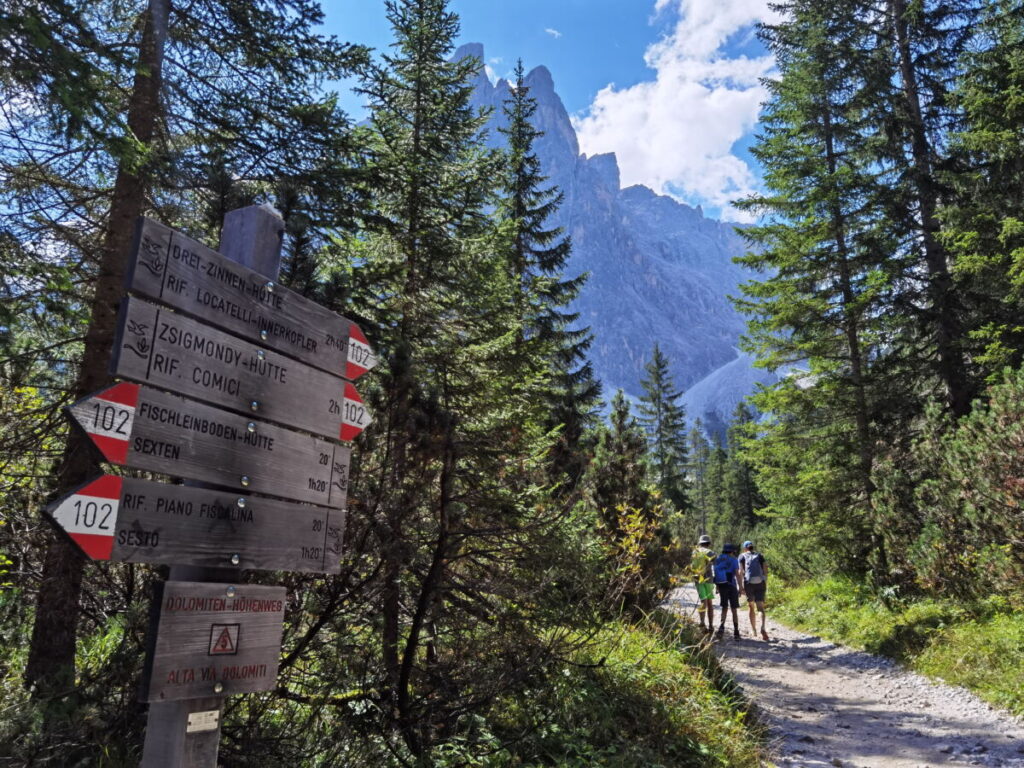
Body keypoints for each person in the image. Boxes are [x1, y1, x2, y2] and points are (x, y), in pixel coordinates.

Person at [739, 540, 770, 641]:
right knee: (760, 607)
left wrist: (740, 586)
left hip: (749, 583)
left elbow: (740, 571)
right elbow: (765, 567)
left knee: (751, 606)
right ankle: (763, 628)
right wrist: (765, 579)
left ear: (745, 548)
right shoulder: (759, 555)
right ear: (752, 547)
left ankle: (753, 630)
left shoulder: (742, 556)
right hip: (760, 582)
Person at [713, 543, 743, 640]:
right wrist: (741, 587)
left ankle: (721, 628)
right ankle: (736, 632)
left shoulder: (718, 559)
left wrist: (717, 586)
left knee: (724, 607)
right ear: (731, 551)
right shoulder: (734, 560)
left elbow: (716, 572)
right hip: (731, 585)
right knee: (734, 609)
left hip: (722, 585)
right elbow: (737, 574)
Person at [689, 534, 716, 633]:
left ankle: (702, 622)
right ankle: (711, 625)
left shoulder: (694, 552)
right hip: (708, 580)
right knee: (709, 603)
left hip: (698, 579)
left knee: (702, 601)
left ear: (700, 543)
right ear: (708, 543)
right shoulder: (710, 552)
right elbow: (715, 565)